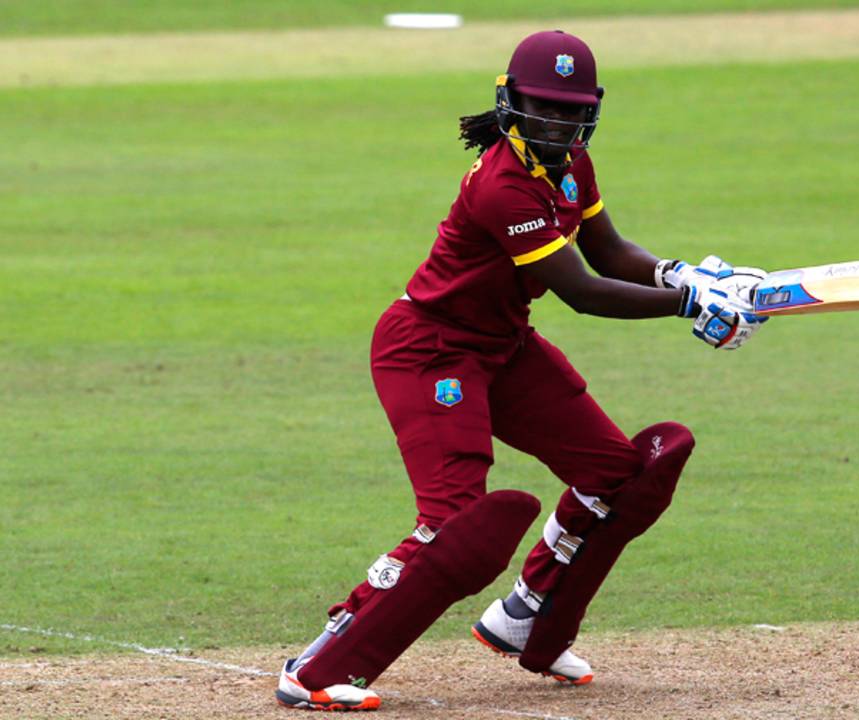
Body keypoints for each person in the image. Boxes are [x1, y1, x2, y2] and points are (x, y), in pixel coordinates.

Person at [274, 29, 766, 712]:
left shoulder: (573, 164)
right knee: (455, 519)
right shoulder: (503, 185)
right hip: (431, 350)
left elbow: (611, 252)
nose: (558, 122)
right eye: (544, 107)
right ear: (511, 103)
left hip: (502, 346)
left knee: (615, 476)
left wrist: (680, 273)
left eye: (570, 110)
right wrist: (687, 302)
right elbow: (582, 291)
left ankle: (526, 610)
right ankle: (322, 658)